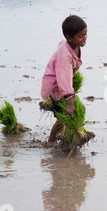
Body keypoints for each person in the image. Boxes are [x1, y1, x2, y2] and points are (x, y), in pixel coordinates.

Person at [41, 15, 88, 144]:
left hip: (61, 85)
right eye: (80, 36)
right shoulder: (65, 56)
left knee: (78, 110)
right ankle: (51, 141)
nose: (84, 38)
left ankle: (67, 136)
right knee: (63, 117)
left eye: (85, 34)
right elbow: (63, 79)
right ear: (69, 37)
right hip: (56, 88)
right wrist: (70, 101)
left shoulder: (72, 45)